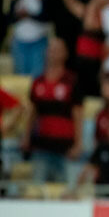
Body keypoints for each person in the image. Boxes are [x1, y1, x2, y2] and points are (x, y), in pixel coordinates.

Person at [25, 38, 83, 183]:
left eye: (57, 49)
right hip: (42, 146)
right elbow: (32, 113)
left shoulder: (72, 80)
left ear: (65, 54)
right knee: (37, 192)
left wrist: (78, 144)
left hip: (66, 148)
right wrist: (26, 136)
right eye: (51, 49)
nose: (53, 52)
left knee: (69, 194)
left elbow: (78, 114)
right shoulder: (38, 81)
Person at [8, 0, 48, 77]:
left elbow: (46, 18)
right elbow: (10, 19)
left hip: (38, 40)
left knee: (37, 74)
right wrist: (19, 16)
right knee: (21, 74)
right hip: (20, 40)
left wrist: (29, 15)